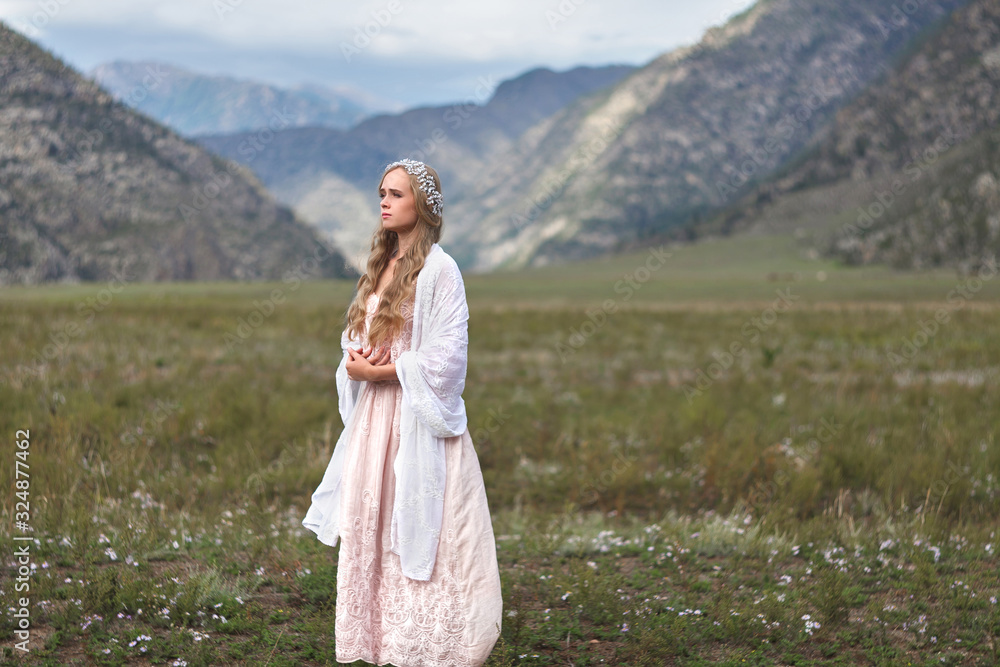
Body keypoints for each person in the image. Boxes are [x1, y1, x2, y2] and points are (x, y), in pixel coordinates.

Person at [302, 158, 503, 666]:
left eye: (396, 194)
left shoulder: (440, 269)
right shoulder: (380, 264)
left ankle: (436, 644)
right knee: (374, 525)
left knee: (429, 531)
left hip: (418, 420)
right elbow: (360, 333)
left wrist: (385, 373)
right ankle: (379, 641)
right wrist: (356, 358)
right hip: (376, 424)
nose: (384, 202)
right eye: (381, 193)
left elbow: (447, 358)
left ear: (423, 205)